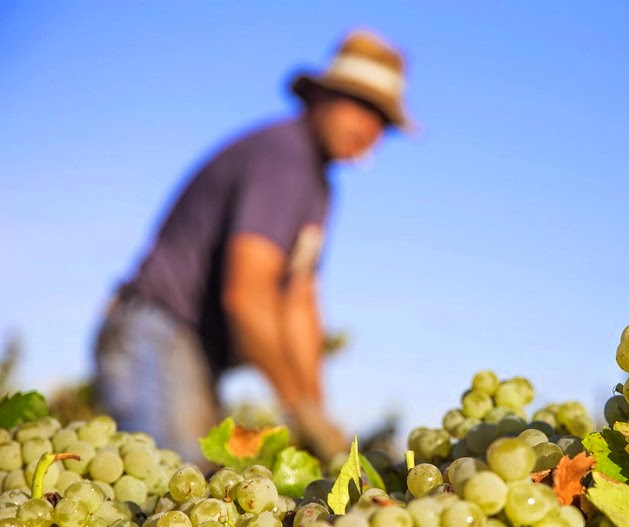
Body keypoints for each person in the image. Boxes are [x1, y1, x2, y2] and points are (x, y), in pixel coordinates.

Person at [93, 30, 411, 465]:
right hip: (156, 331)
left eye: (382, 121)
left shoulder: (317, 188)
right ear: (320, 97)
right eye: (360, 106)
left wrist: (316, 410)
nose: (369, 129)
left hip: (188, 348)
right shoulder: (284, 160)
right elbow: (247, 296)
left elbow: (298, 301)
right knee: (167, 490)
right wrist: (297, 407)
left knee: (196, 489)